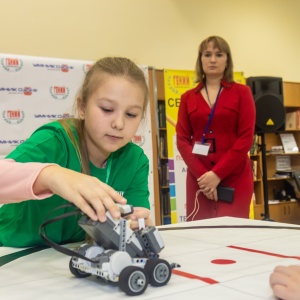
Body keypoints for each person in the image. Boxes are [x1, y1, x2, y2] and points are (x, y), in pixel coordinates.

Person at [0, 56, 152, 247]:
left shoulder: (135, 161)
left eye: (131, 114)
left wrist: (138, 224)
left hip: (70, 257)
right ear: (82, 107)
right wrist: (50, 176)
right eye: (107, 109)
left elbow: (135, 217)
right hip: (12, 253)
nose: (119, 123)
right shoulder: (55, 141)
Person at [176, 36, 256, 221]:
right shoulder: (188, 97)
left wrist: (217, 174)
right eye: (207, 54)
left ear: (227, 60)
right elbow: (181, 140)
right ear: (200, 59)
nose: (213, 59)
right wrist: (204, 177)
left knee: (232, 233)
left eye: (219, 54)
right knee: (200, 234)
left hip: (235, 176)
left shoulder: (242, 93)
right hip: (200, 179)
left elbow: (245, 138)